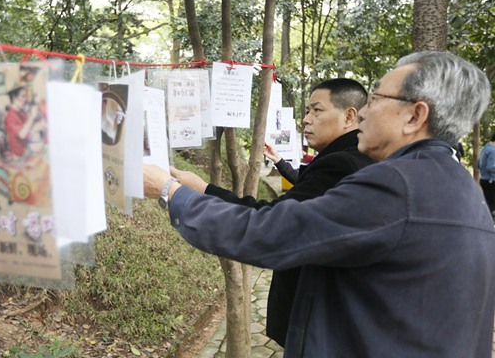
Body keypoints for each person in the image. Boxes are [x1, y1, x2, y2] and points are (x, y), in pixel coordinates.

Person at [143, 51, 495, 357]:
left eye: (374, 100)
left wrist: (169, 192)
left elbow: (269, 233)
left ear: (415, 116)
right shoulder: (464, 189)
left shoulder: (398, 186)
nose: (364, 114)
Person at [170, 78, 375, 347]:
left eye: (317, 110)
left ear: (349, 116)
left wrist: (201, 190)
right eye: (307, 111)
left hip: (316, 320)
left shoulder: (340, 165)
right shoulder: (350, 158)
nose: (306, 120)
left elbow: (272, 222)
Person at [4, 86, 45, 157]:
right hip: (20, 154)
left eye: (26, 96)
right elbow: (22, 135)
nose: (26, 99)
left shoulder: (21, 112)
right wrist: (32, 116)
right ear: (14, 98)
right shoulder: (10, 117)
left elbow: (29, 128)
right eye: (23, 96)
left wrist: (40, 124)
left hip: (28, 148)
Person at [478, 132, 495, 215]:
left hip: (484, 180)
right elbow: (492, 167)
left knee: (488, 205)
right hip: (491, 181)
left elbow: (478, 164)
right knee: (491, 208)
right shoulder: (493, 150)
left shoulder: (485, 148)